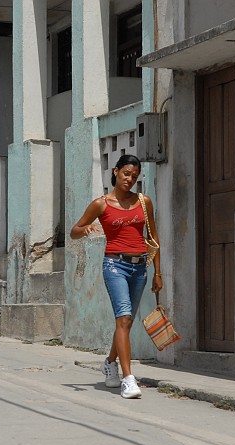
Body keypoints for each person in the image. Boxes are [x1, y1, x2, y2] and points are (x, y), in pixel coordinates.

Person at [70, 154, 162, 399]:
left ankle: (110, 362)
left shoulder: (144, 202)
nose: (129, 179)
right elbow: (74, 232)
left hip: (140, 267)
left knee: (127, 321)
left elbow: (153, 238)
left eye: (134, 176)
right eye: (125, 174)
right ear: (115, 172)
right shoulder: (101, 204)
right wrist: (86, 228)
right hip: (115, 266)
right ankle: (128, 379)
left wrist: (158, 272)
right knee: (123, 318)